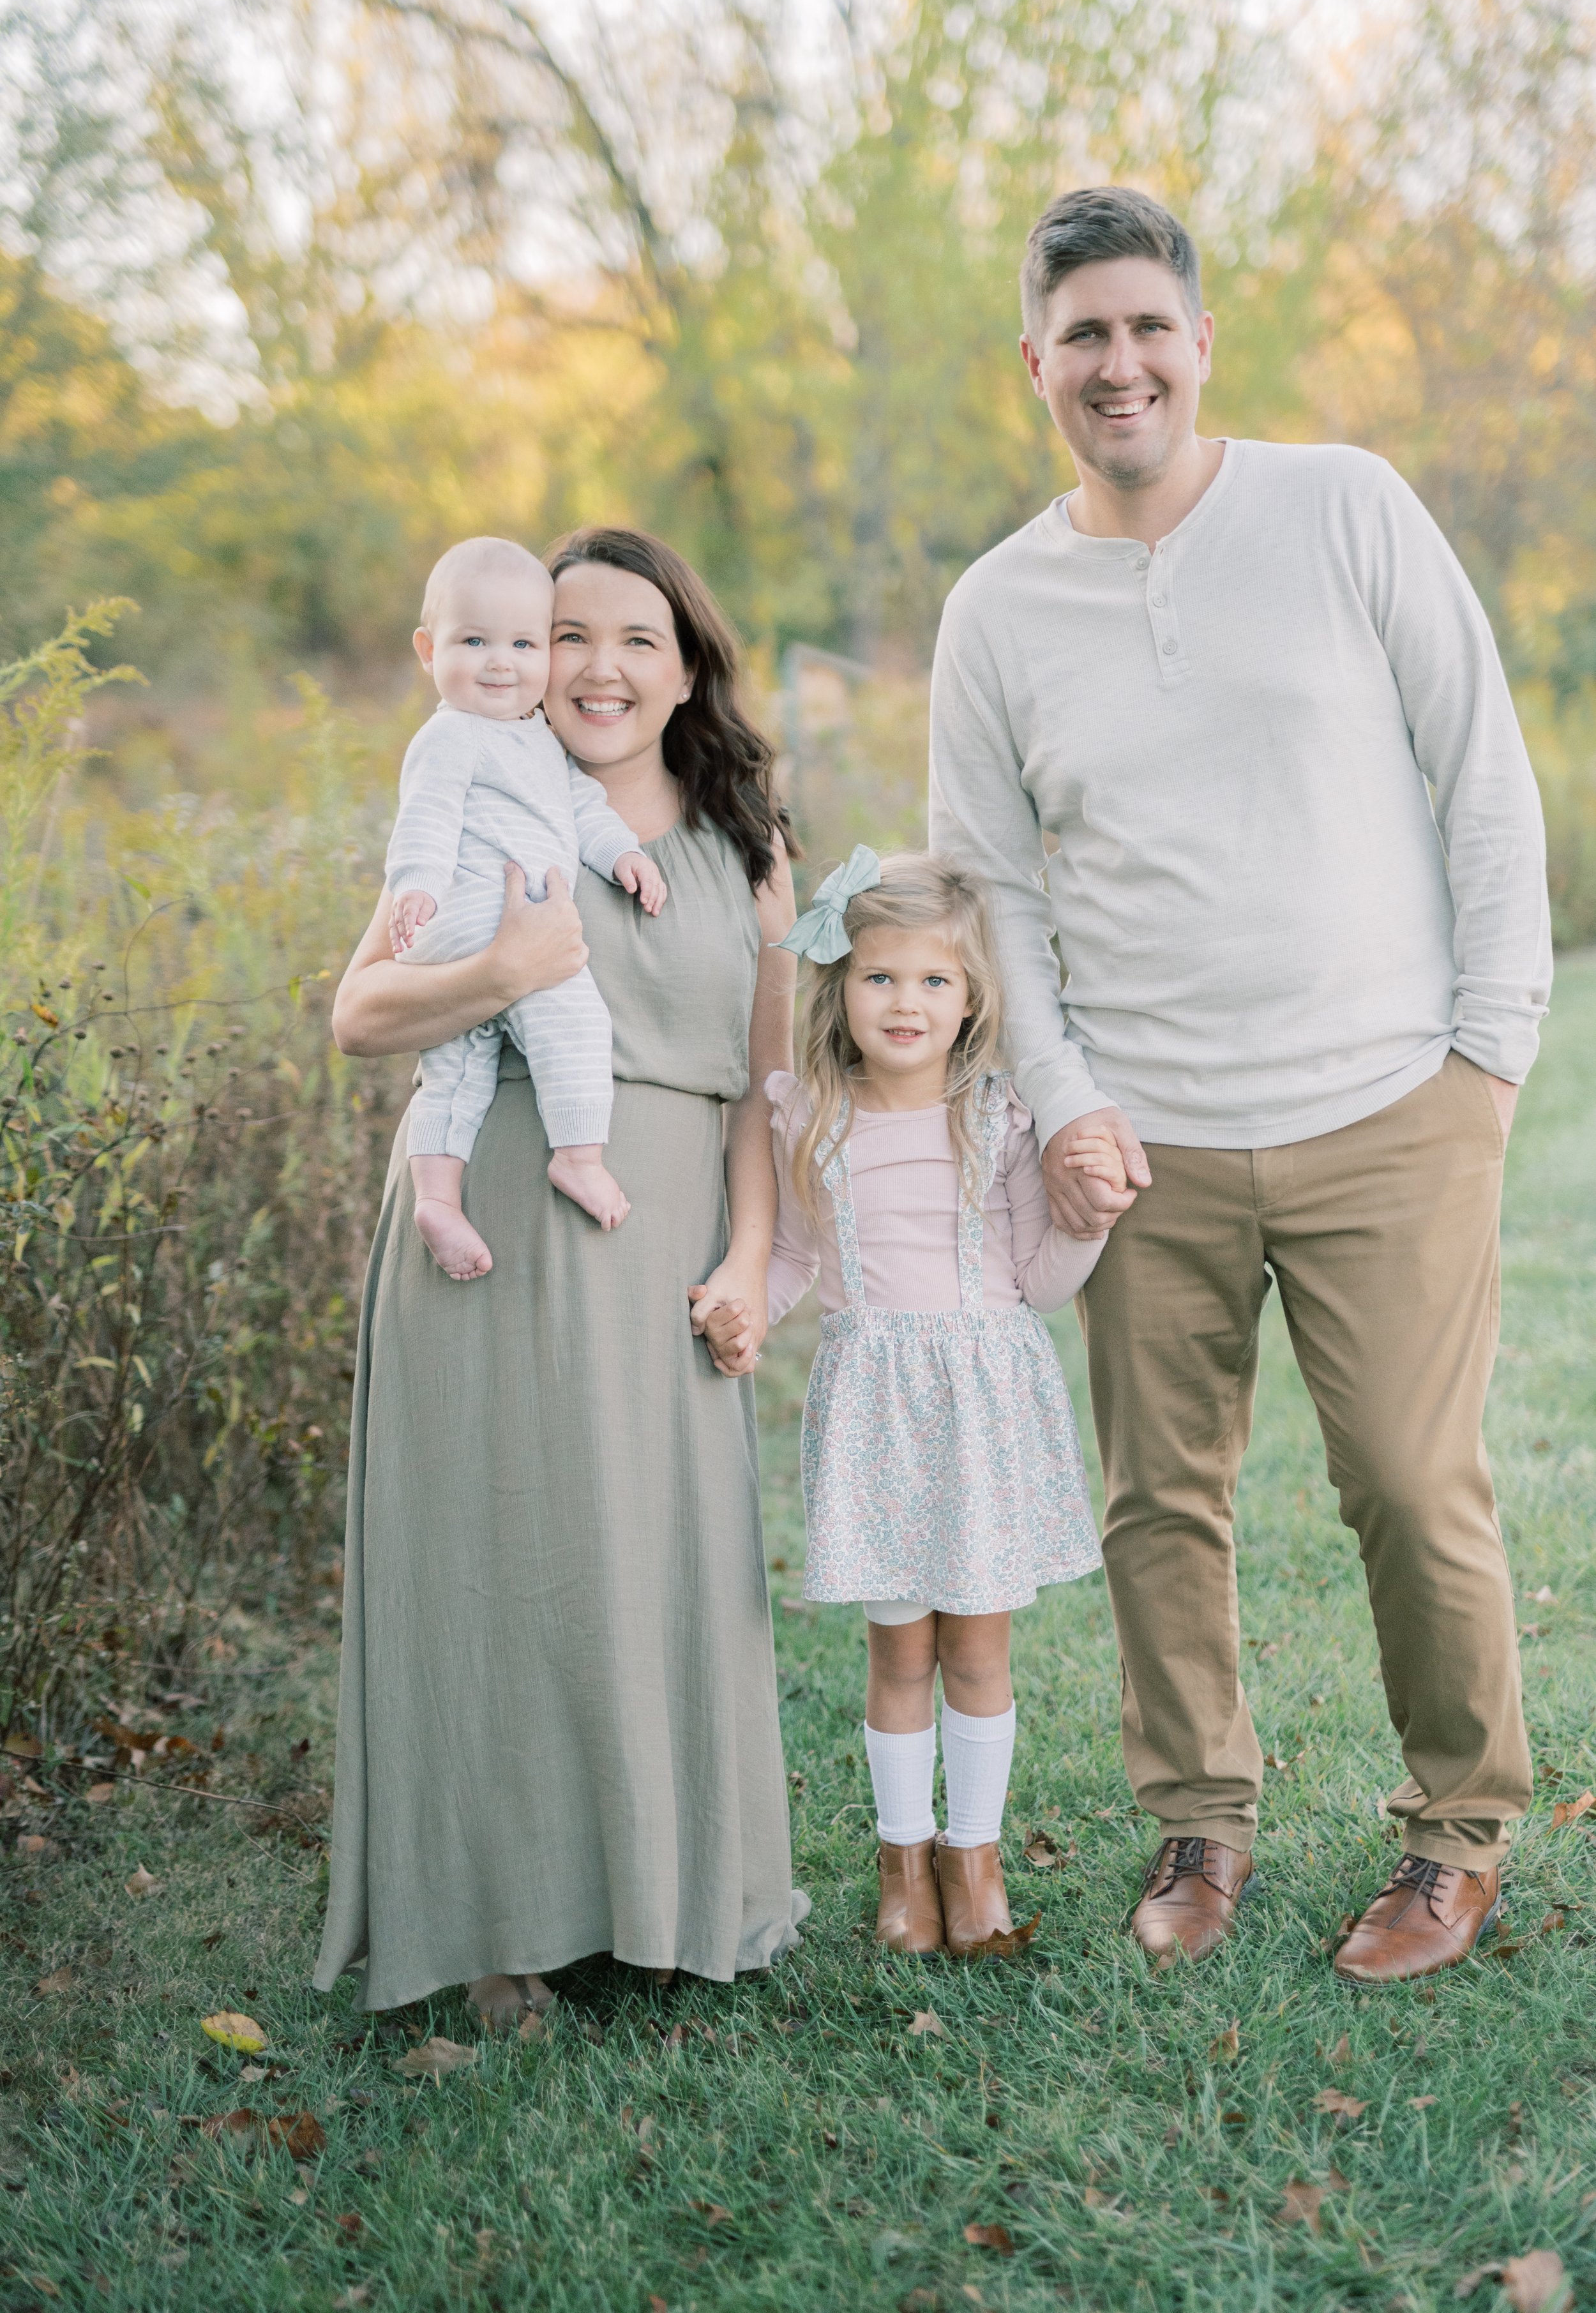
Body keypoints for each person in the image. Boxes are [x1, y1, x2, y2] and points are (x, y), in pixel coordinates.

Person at [928, 185, 1553, 1984]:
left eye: (1146, 328)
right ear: (1033, 361)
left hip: (1386, 1103)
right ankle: (1198, 1822)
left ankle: (1454, 1835)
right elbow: (993, 890)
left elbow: (1480, 774)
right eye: (1080, 336)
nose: (1116, 365)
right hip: (1143, 1135)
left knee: (1413, 1479)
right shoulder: (994, 609)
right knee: (1157, 1497)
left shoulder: (1342, 505)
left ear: (1199, 341)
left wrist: (1485, 1054)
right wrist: (1058, 1099)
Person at [313, 525, 807, 2024]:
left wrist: (752, 1257)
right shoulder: (482, 789)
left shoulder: (747, 839)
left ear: (685, 665)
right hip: (494, 1229)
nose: (594, 666)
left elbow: (761, 1091)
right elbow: (358, 1010)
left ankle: (664, 1894)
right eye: (565, 634)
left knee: (658, 1568)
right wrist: (499, 973)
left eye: (633, 638)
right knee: (495, 1566)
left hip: (664, 1242)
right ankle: (491, 1921)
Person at [703, 850, 1117, 1957]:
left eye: (935, 981)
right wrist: (746, 1309)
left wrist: (1089, 1219)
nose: (907, 1002)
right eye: (881, 977)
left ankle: (972, 1861)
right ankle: (902, 1863)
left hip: (985, 1405)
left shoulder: (999, 1113)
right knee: (899, 1654)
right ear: (840, 985)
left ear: (972, 996)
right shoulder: (810, 1114)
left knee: (978, 1649)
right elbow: (789, 1259)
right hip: (876, 1406)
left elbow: (1036, 1276)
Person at [388, 535, 667, 1272]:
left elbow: (582, 803)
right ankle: (578, 1154)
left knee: (456, 1062)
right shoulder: (452, 735)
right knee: (571, 1012)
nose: (500, 661)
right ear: (428, 649)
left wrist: (622, 852)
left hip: (464, 935)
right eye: (473, 641)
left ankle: (438, 1199)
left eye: (522, 642)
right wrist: (414, 885)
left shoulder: (533, 737)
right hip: (484, 910)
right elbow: (426, 814)